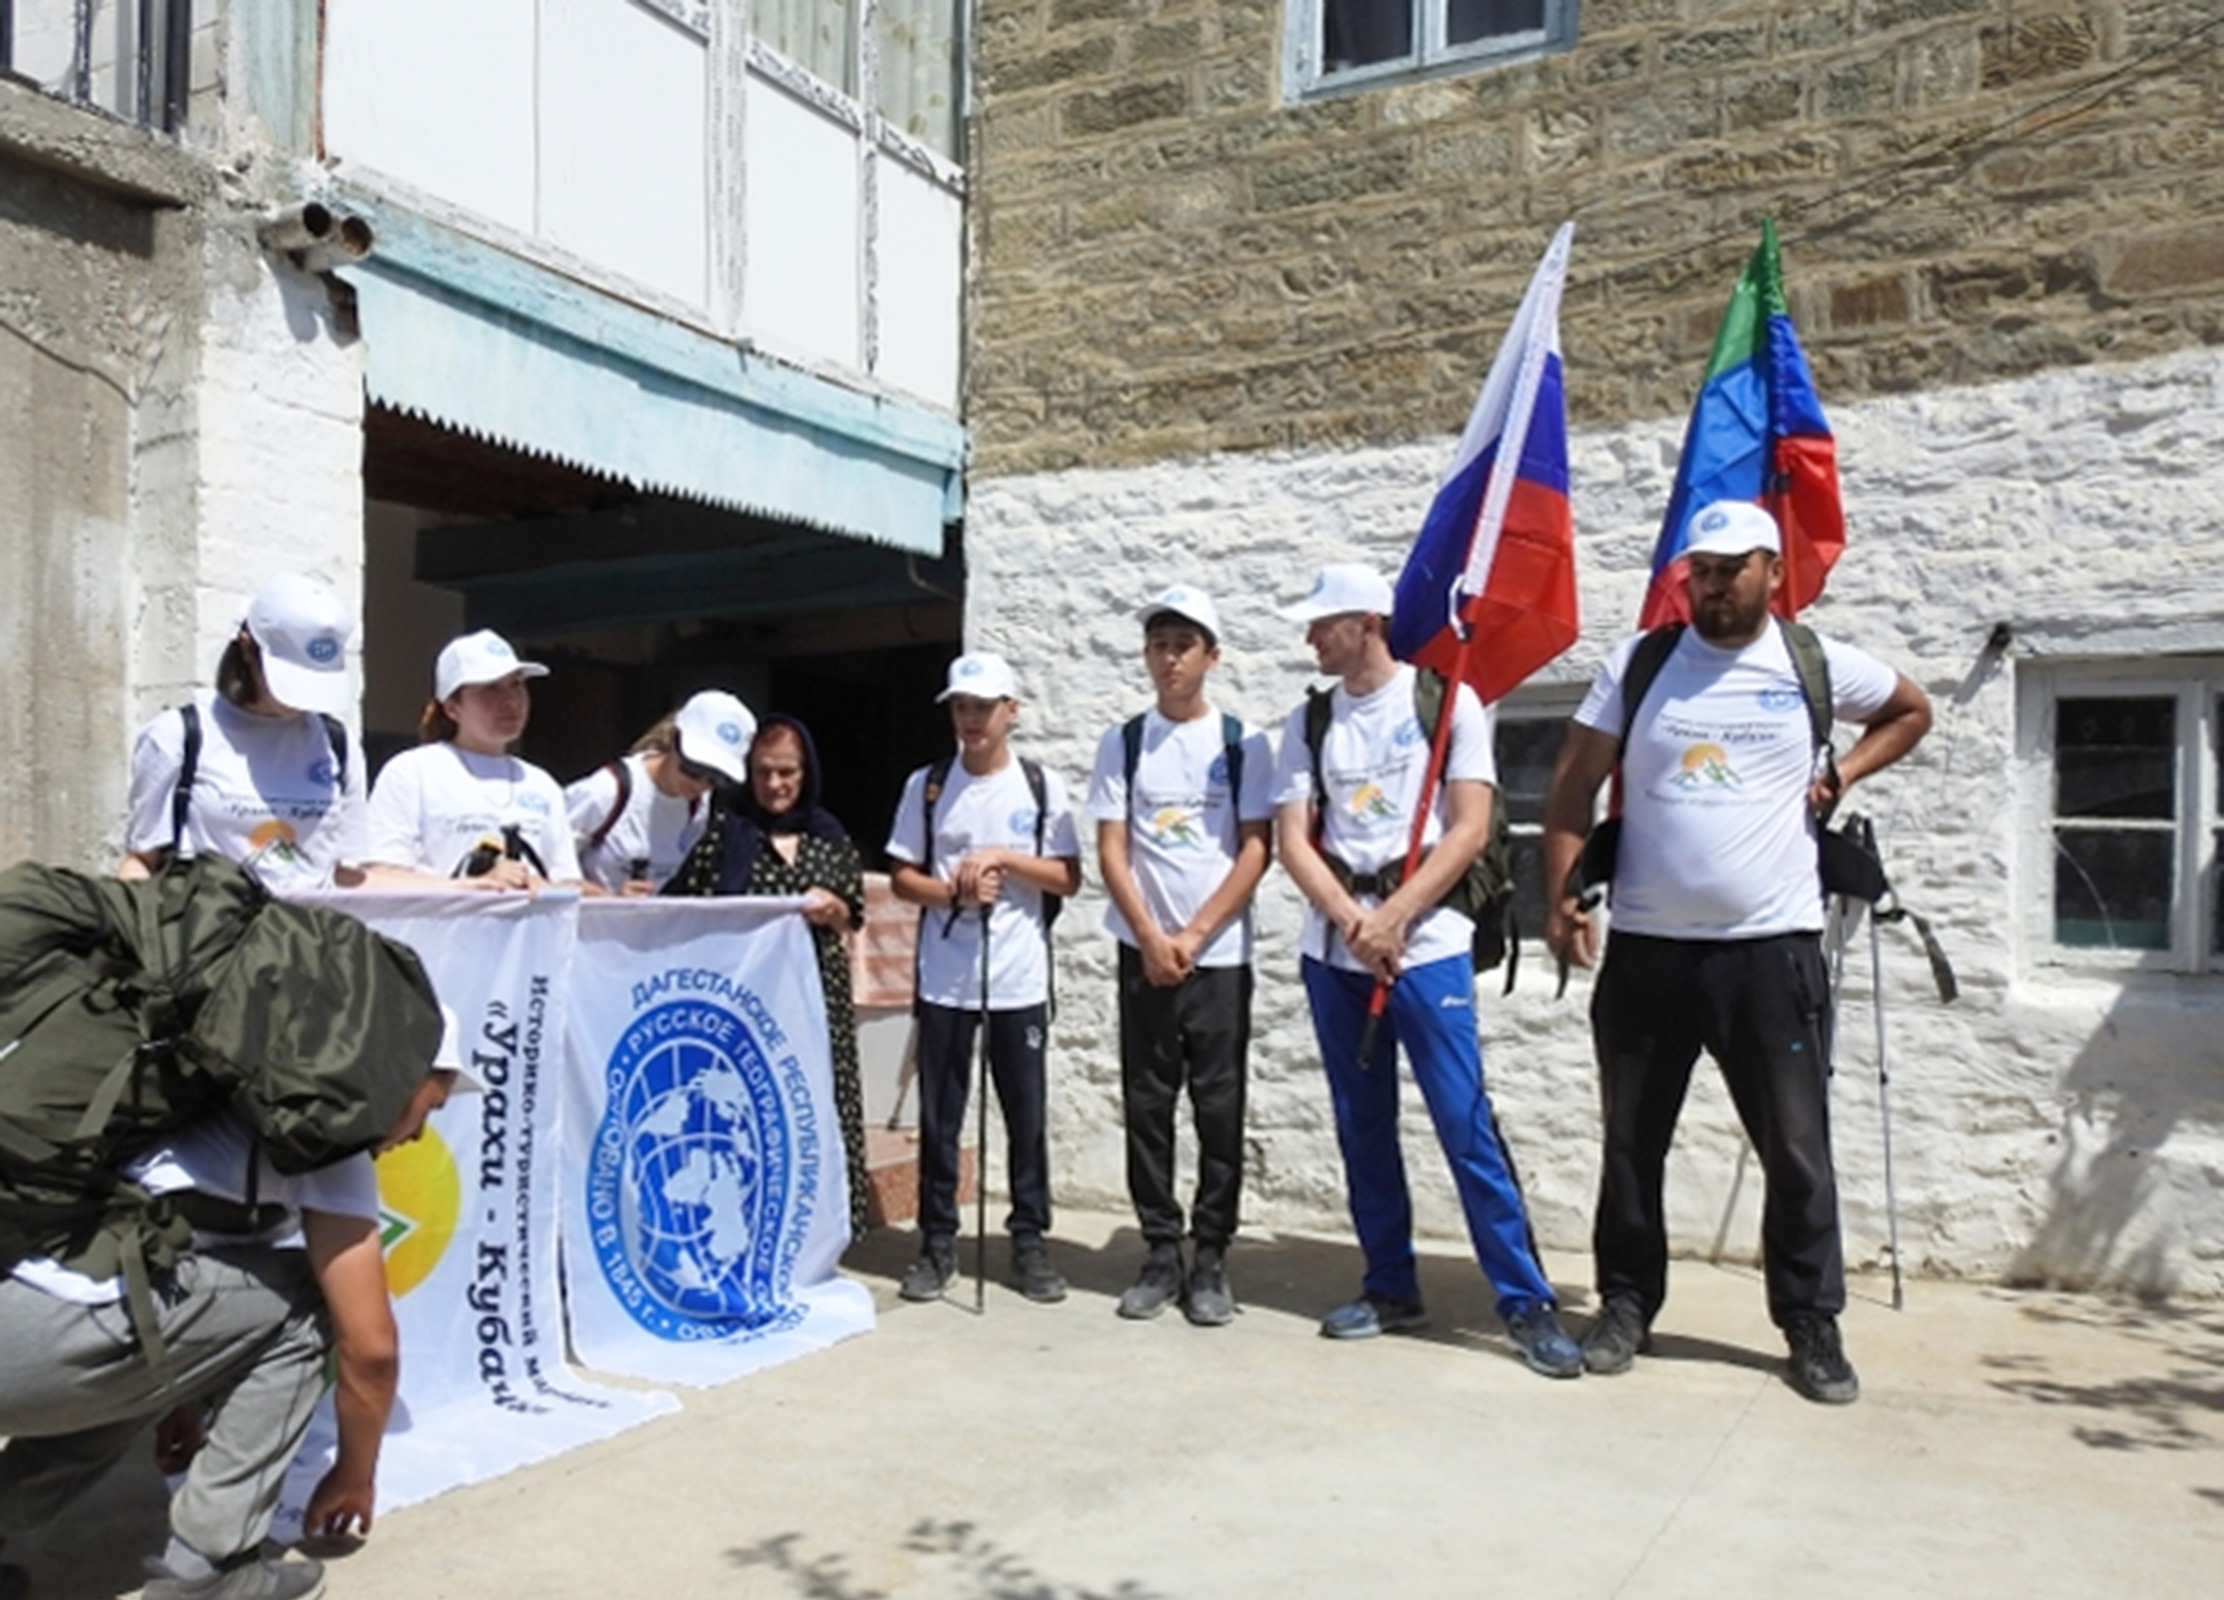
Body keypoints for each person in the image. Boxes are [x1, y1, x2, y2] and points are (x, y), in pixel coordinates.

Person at [1540, 499, 1933, 1404]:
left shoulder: (1811, 664)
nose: (1714, 585)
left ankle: (1809, 1323)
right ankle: (1627, 1304)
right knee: (1632, 1146)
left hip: (1772, 955)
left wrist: (1844, 772)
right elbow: (1572, 785)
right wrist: (1562, 894)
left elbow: (1911, 711)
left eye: (1732, 568)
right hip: (1647, 952)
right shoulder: (1640, 666)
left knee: (1796, 1148)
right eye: (1701, 571)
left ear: (1771, 571)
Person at [0, 1016, 469, 1600]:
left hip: (26, 1329)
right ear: (400, 1078)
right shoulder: (328, 1142)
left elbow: (183, 1286)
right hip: (44, 1346)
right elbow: (371, 1348)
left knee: (114, 1388)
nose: (422, 1133)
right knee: (310, 1299)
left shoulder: (205, 1101)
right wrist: (354, 1476)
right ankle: (210, 1572)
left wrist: (178, 1393)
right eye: (432, 1105)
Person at [1271, 562, 1583, 1378]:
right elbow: (1294, 840)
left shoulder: (1450, 706)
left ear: (1367, 622)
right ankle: (1389, 1285)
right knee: (1360, 1122)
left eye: (1321, 621)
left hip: (1428, 944)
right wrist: (1353, 920)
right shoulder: (1307, 723)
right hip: (1338, 948)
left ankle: (1524, 1301)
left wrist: (1397, 915)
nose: (1310, 636)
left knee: (1463, 1121)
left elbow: (1471, 827)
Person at [1083, 586, 1274, 1326]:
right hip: (1144, 955)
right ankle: (1161, 1251)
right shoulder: (1123, 741)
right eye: (1159, 644)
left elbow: (1257, 847)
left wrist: (1194, 936)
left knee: (1219, 1108)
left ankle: (1212, 1257)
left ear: (1211, 657)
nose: (1169, 659)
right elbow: (1111, 846)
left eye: (1184, 645)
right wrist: (1152, 936)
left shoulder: (1241, 741)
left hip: (1218, 957)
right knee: (1148, 1104)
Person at [884, 652, 1081, 1305]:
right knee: (941, 1117)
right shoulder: (929, 784)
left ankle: (1029, 1241)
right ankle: (937, 1241)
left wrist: (1004, 861)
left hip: (1019, 977)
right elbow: (902, 876)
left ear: (1011, 711)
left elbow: (1068, 877)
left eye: (982, 706)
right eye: (960, 707)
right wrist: (952, 893)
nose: (970, 719)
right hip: (946, 978)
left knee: (1024, 1117)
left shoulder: (1040, 784)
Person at [667, 714, 872, 1239]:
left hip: (815, 1004)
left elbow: (854, 914)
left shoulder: (829, 838)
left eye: (787, 772)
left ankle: (822, 1232)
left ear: (806, 773)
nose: (775, 785)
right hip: (745, 1009)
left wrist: (834, 910)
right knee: (743, 1116)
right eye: (763, 773)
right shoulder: (723, 833)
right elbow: (680, 906)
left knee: (815, 1110)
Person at [119, 573, 367, 892]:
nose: (301, 703)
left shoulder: (336, 744)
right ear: (249, 650)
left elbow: (348, 875)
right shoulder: (179, 736)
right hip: (209, 933)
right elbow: (141, 861)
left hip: (310, 936)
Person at [365, 630, 583, 890]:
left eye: (517, 684)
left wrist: (543, 886)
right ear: (452, 707)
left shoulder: (541, 783)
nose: (511, 701)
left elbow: (568, 881)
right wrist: (471, 886)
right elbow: (380, 875)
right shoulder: (412, 772)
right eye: (491, 688)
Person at [566, 691, 755, 895]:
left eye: (717, 778)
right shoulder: (608, 791)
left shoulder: (698, 807)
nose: (701, 784)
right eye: (693, 768)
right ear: (675, 742)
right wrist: (608, 899)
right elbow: (546, 869)